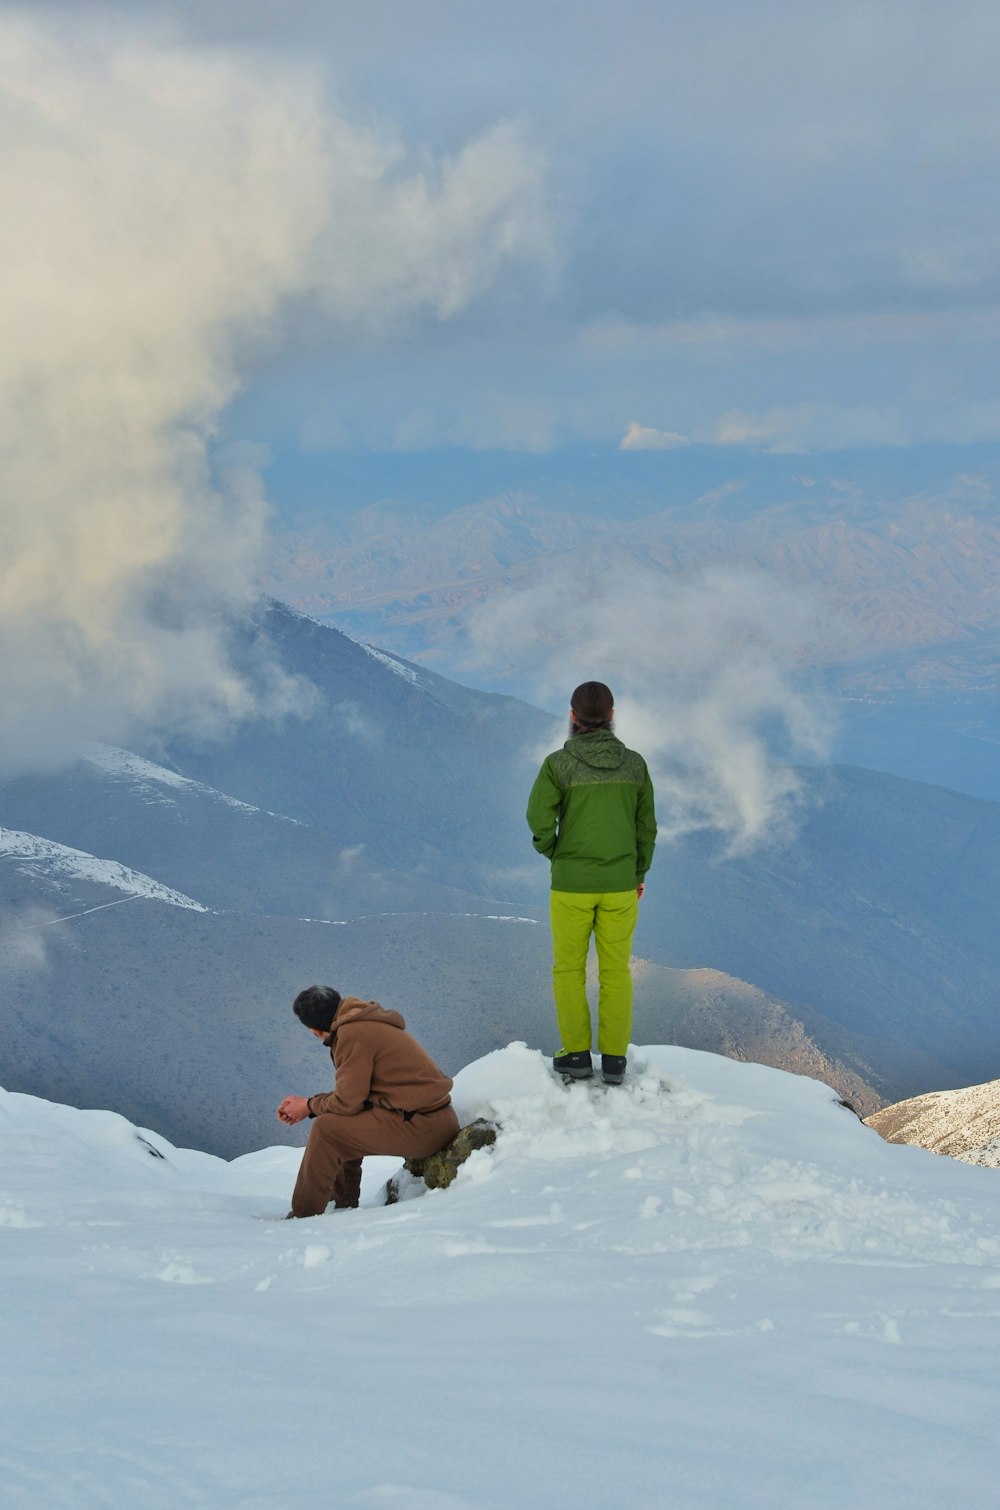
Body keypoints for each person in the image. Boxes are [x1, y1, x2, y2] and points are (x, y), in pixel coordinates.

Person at [526, 681, 656, 1086]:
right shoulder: (635, 765)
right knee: (616, 972)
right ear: (612, 716)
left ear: (572, 717)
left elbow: (538, 820)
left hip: (571, 887)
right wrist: (638, 873)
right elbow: (646, 827)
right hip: (620, 886)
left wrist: (557, 853)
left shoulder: (557, 765)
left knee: (568, 970)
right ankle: (615, 1061)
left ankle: (577, 1056)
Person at [277, 985, 460, 1218]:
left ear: (314, 1030)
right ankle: (341, 1207)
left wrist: (308, 1106)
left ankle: (303, 1216)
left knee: (327, 1129)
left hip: (423, 1127)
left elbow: (347, 1102)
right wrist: (311, 1105)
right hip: (432, 1118)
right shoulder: (362, 1021)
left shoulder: (352, 1036)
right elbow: (354, 1098)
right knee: (338, 1123)